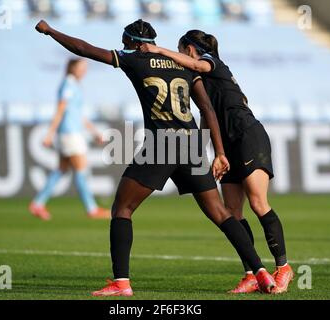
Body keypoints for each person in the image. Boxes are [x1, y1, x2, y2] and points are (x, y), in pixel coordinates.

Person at [35, 19, 276, 296]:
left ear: (135, 42)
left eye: (126, 42)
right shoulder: (183, 64)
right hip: (192, 146)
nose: (124, 47)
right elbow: (207, 108)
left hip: (162, 144)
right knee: (221, 214)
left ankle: (121, 283)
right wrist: (217, 152)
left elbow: (84, 48)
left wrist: (51, 31)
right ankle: (260, 272)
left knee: (122, 209)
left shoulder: (136, 58)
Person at [140, 30, 294, 294]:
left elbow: (198, 64)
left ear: (189, 48)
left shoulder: (212, 62)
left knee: (258, 203)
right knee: (233, 212)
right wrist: (205, 153)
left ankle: (284, 268)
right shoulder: (199, 79)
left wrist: (158, 50)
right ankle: (251, 274)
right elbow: (206, 116)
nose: (178, 55)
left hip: (248, 136)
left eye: (180, 50)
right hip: (228, 144)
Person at [29, 58, 110, 220]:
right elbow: (60, 110)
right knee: (81, 169)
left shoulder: (74, 85)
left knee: (61, 169)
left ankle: (37, 204)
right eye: (82, 68)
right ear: (73, 68)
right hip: (69, 133)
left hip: (70, 132)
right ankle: (91, 208)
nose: (84, 71)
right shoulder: (68, 85)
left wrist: (94, 132)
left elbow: (78, 114)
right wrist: (50, 133)